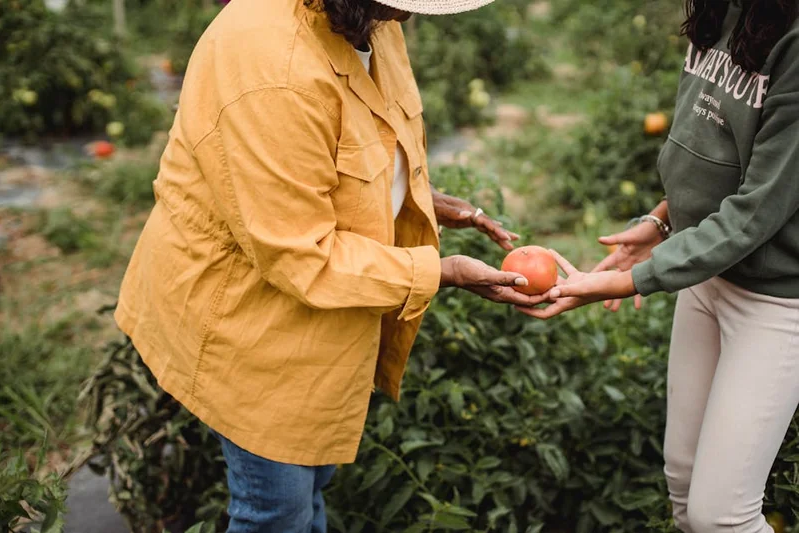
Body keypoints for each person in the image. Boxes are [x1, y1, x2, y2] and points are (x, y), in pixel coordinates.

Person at [114, 0, 544, 530]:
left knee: (310, 485)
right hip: (249, 320)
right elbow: (298, 251)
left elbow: (355, 144)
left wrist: (419, 195)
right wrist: (443, 271)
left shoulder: (372, 22)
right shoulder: (273, 66)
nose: (412, 12)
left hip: (324, 312)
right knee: (276, 511)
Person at [521, 1, 799, 531]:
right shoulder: (719, 11)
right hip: (706, 272)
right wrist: (664, 220)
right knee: (683, 483)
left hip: (776, 300)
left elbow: (759, 207)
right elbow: (715, 149)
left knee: (721, 517)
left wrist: (632, 279)